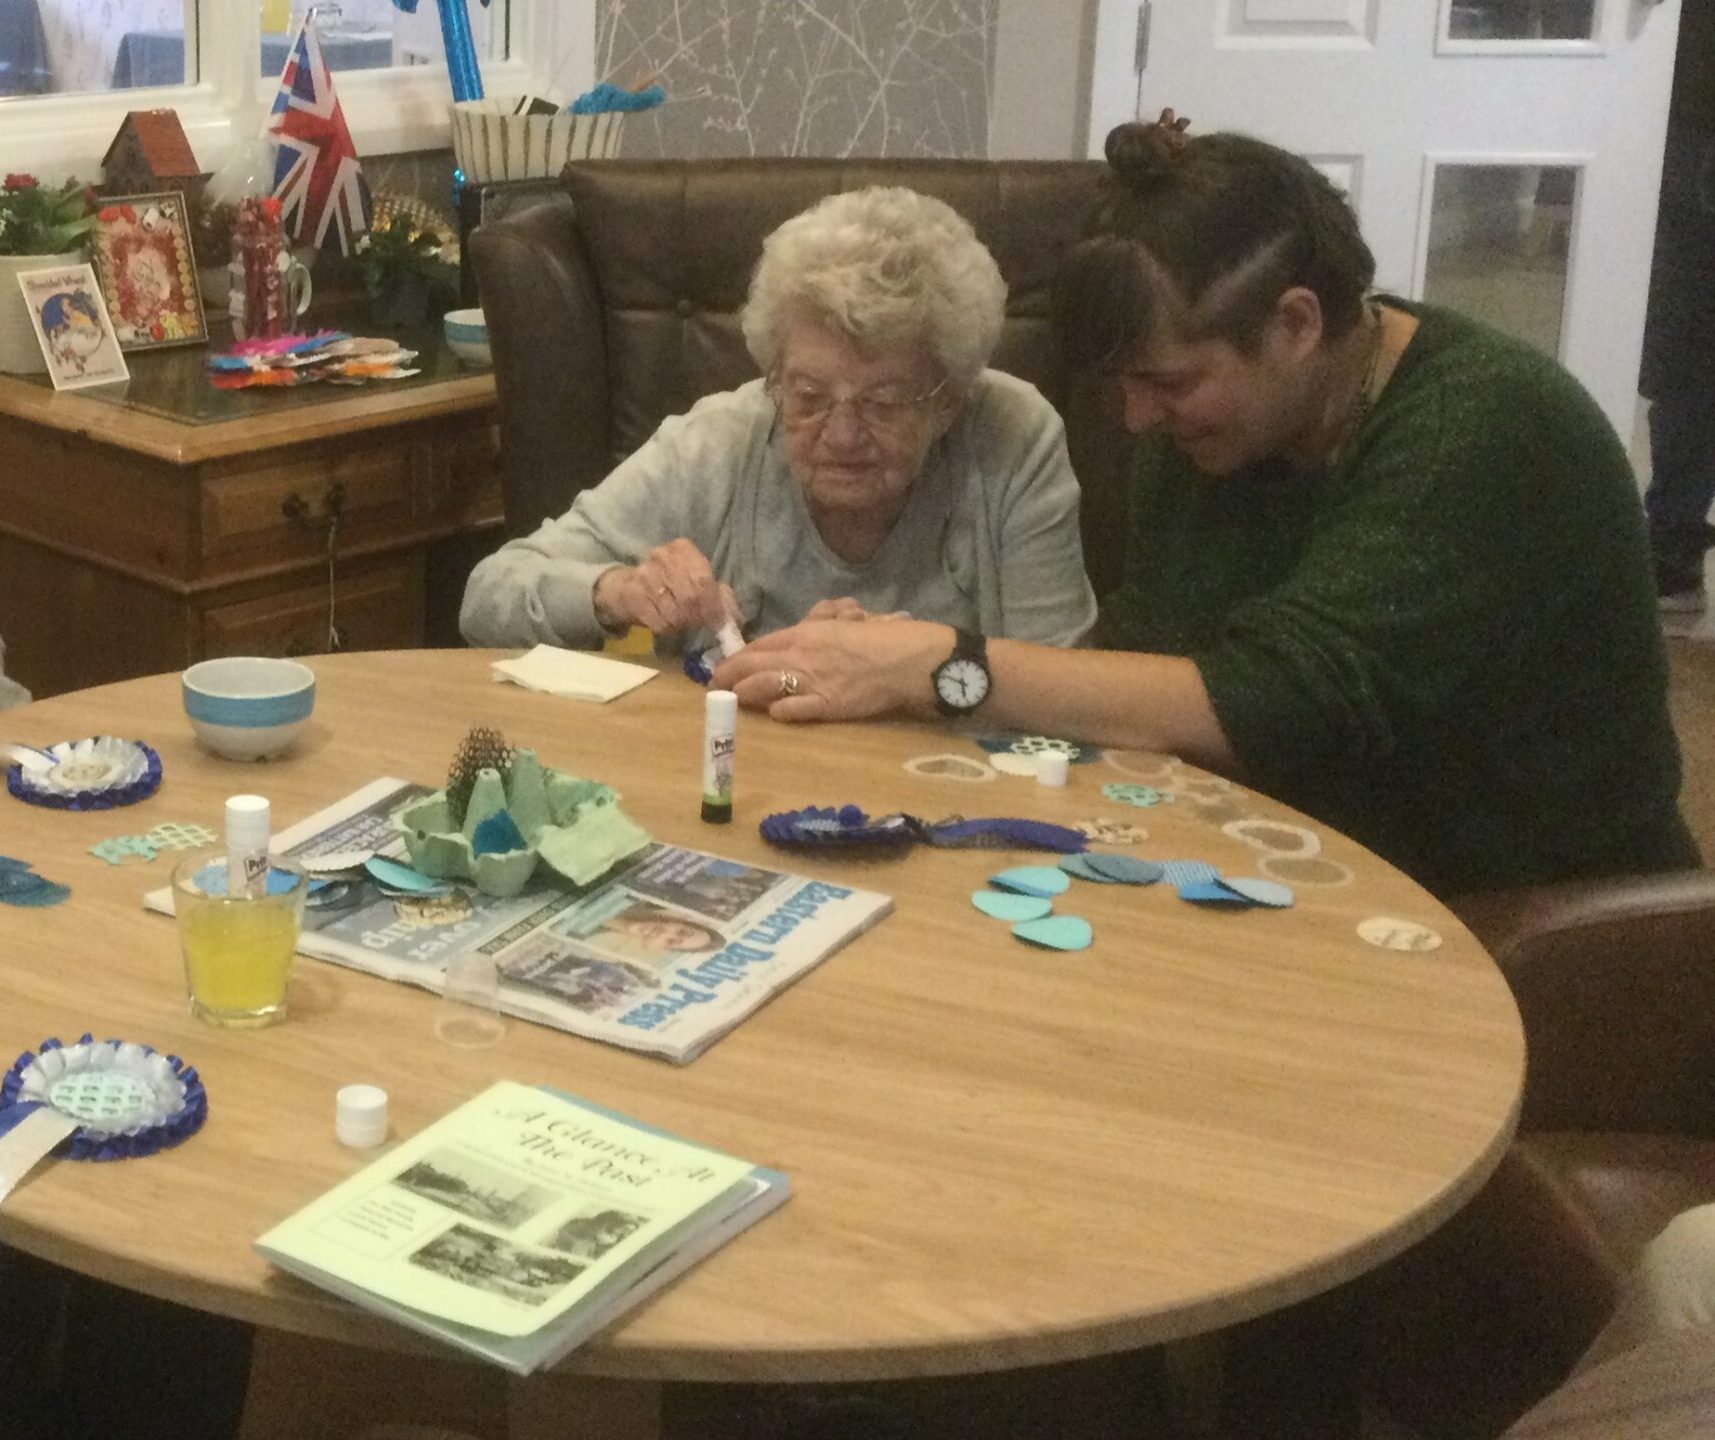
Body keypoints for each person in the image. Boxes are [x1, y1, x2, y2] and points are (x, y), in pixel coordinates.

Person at [715, 115, 1699, 899]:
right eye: (1124, 386)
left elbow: (1271, 706)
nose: (1138, 418)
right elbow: (1143, 672)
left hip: (1528, 929)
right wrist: (906, 669)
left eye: (1169, 382)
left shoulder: (1488, 428)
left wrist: (936, 664)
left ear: (1295, 324)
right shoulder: (1218, 430)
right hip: (1298, 877)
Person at [459, 186, 1097, 654]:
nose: (842, 435)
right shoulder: (723, 439)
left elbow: (1067, 687)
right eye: (810, 395)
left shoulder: (1013, 435)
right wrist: (616, 592)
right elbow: (490, 595)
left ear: (949, 398)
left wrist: (917, 664)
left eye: (883, 402)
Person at [1642, 2, 1715, 611]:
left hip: (1689, 110)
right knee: (1686, 354)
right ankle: (1670, 551)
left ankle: (1671, 551)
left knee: (1689, 355)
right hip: (1680, 103)